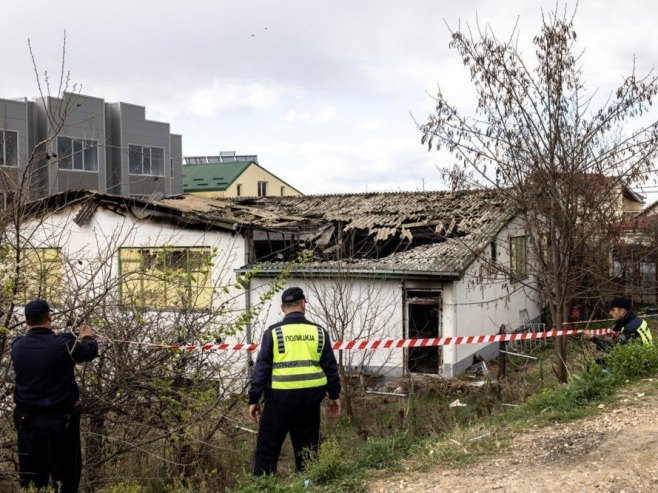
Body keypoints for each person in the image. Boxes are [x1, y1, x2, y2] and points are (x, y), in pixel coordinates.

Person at [248, 287, 341, 475]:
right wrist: (334, 395)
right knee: (307, 452)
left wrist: (253, 398)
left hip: (278, 401)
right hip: (309, 402)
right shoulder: (319, 332)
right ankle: (307, 486)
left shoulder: (273, 333)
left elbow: (262, 368)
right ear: (302, 304)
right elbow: (330, 367)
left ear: (283, 308)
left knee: (267, 450)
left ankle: (263, 487)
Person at [11, 299, 99, 493]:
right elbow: (90, 352)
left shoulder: (17, 346)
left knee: (32, 482)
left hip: (27, 424)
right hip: (60, 425)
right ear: (49, 316)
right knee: (65, 480)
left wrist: (55, 336)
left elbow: (39, 346)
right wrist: (87, 336)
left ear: (26, 321)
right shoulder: (63, 344)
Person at [583, 296, 653, 351]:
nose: (610, 313)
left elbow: (614, 349)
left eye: (613, 310)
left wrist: (593, 339)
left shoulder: (630, 328)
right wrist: (616, 336)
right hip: (646, 356)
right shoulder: (637, 320)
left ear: (622, 311)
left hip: (642, 363)